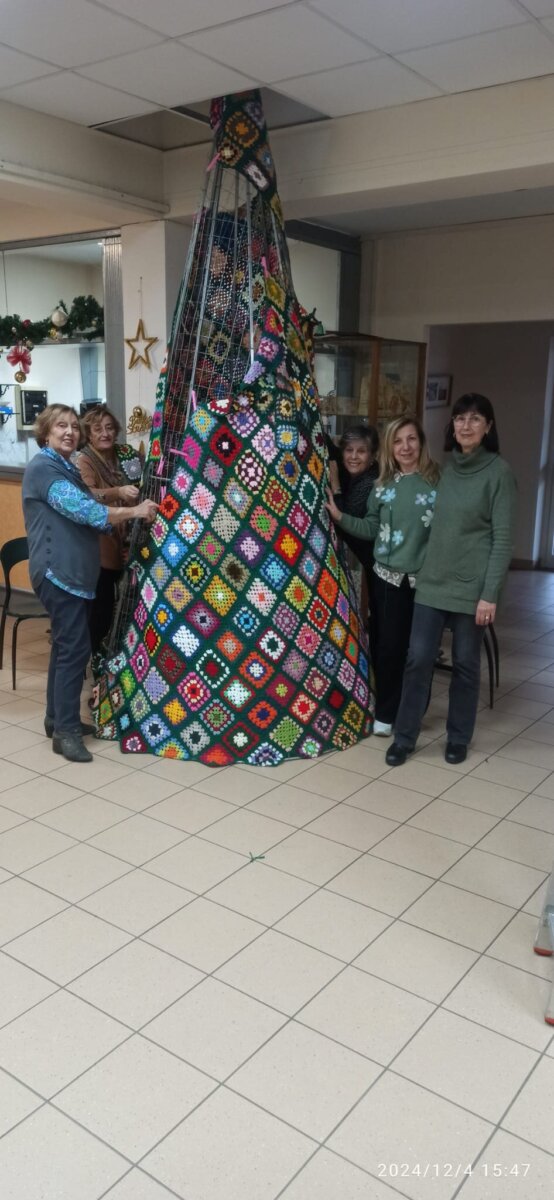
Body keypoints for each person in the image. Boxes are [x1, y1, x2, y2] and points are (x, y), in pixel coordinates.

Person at [386, 393, 517, 767]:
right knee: (418, 658)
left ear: (488, 427)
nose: (466, 425)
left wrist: (490, 594)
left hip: (472, 588)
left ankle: (459, 737)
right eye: (460, 419)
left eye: (475, 419)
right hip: (433, 582)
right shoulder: (444, 469)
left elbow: (503, 539)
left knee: (464, 663)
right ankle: (404, 736)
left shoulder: (499, 473)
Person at [22, 404, 157, 764]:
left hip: (75, 573)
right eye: (60, 426)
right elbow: (83, 510)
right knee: (75, 650)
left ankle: (56, 719)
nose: (69, 432)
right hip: (58, 571)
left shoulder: (64, 466)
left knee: (66, 647)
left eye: (72, 427)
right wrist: (135, 511)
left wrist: (115, 499)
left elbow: (89, 500)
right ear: (46, 433)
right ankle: (65, 732)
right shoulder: (43, 468)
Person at [327, 415, 439, 736]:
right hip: (387, 579)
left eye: (411, 440)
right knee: (389, 648)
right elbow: (371, 528)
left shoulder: (437, 483)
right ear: (390, 447)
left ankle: (413, 711)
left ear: (421, 443)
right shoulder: (383, 486)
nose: (405, 447)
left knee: (419, 652)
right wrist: (339, 515)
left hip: (426, 582)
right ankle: (387, 713)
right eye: (398, 441)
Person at [77, 405, 142, 664]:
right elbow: (86, 495)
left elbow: (144, 482)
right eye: (97, 429)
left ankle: (120, 658)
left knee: (128, 605)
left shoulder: (125, 453)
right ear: (88, 434)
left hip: (129, 538)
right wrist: (118, 492)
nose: (105, 433)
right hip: (100, 544)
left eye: (109, 427)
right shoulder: (84, 459)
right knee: (101, 608)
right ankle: (93, 660)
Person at [329, 424, 379, 586]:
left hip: (382, 566)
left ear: (372, 456)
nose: (354, 456)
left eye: (362, 451)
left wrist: (335, 484)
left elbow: (345, 518)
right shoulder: (357, 473)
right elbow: (331, 449)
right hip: (373, 563)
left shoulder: (371, 481)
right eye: (349, 450)